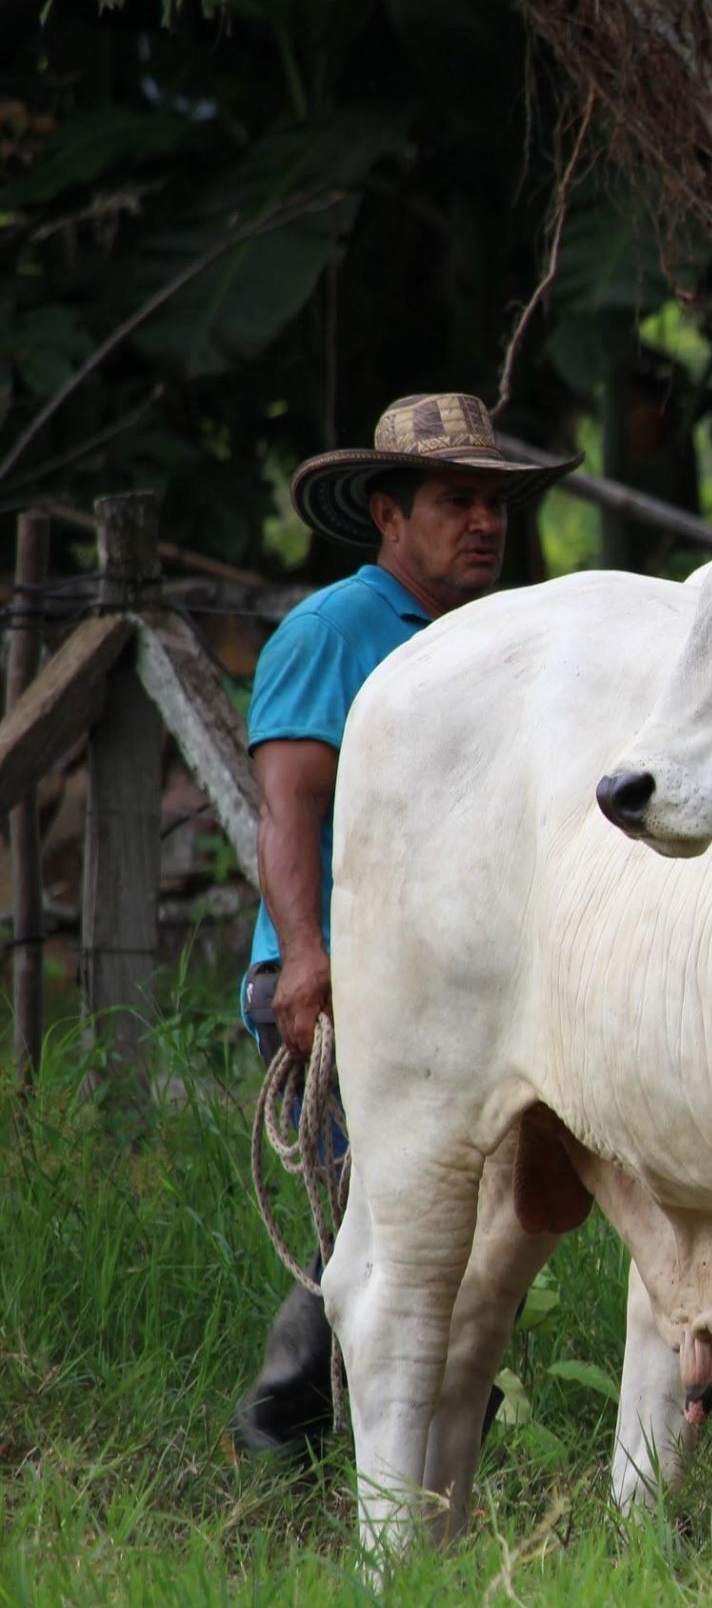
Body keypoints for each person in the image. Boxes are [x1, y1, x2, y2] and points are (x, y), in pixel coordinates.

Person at [230, 393, 575, 1458]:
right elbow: (288, 805)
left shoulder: (489, 635)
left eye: (494, 505)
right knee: (395, 1223)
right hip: (342, 975)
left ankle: (393, 1441)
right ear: (389, 514)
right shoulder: (335, 631)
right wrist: (304, 959)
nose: (482, 524)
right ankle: (287, 1423)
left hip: (447, 982)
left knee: (437, 1224)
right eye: (454, 501)